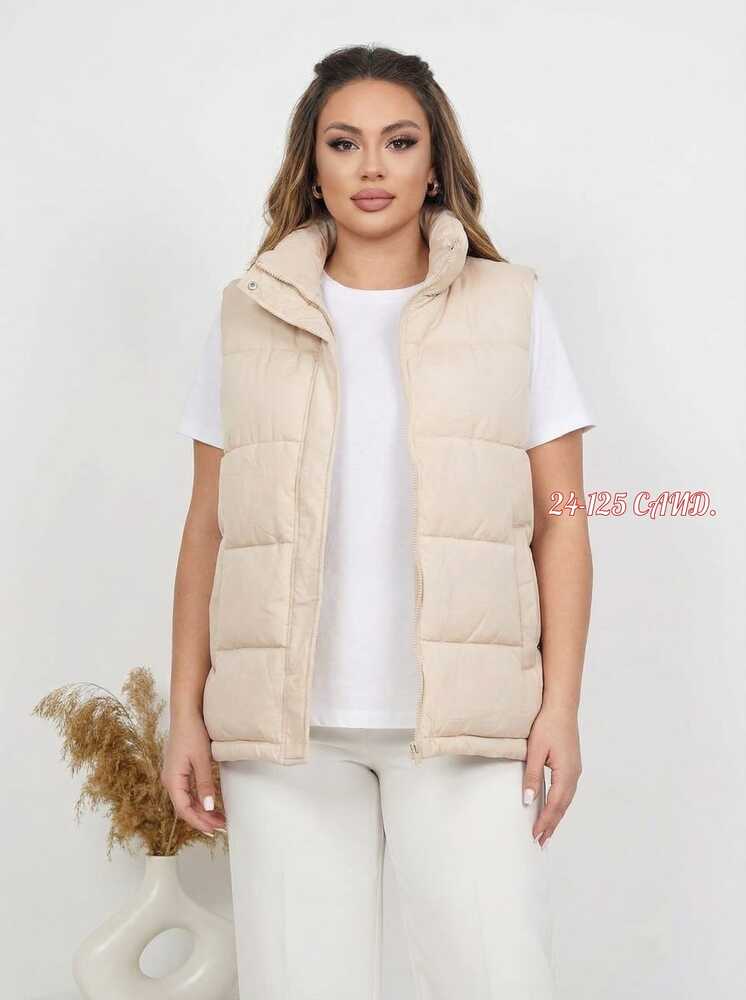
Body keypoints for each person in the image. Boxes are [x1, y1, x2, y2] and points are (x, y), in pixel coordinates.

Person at [163, 43, 595, 1000]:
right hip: (287, 737)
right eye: (343, 142)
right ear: (310, 163)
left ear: (434, 163)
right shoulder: (248, 313)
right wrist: (185, 711)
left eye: (399, 142)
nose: (371, 167)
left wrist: (560, 705)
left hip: (469, 732)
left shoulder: (512, 306)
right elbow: (207, 528)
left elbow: (562, 520)